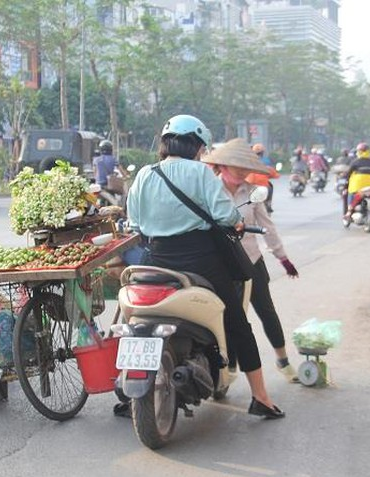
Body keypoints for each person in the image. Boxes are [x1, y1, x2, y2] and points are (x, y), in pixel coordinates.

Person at [127, 115, 284, 419]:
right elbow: (226, 216)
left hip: (155, 259)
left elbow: (134, 221)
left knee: (129, 318)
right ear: (198, 145)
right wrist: (238, 222)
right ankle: (261, 397)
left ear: (166, 142)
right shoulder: (200, 173)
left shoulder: (146, 174)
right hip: (200, 261)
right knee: (238, 323)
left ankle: (124, 395)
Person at [203, 138, 300, 383]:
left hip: (252, 261)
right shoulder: (209, 190)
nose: (243, 174)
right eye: (237, 169)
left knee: (267, 312)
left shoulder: (252, 193)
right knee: (231, 317)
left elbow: (268, 227)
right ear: (222, 167)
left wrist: (283, 258)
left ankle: (283, 360)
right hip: (224, 264)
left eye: (245, 169)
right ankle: (230, 365)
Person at [343, 142, 370, 222]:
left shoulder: (355, 161)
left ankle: (349, 213)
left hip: (358, 185)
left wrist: (345, 186)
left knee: (351, 194)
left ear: (359, 151)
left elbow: (348, 174)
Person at [93, 139, 127, 205]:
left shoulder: (96, 160)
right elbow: (121, 170)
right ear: (111, 149)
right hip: (109, 186)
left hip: (99, 186)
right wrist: (125, 176)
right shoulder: (113, 159)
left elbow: (95, 172)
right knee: (118, 203)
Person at [249, 143, 279, 214]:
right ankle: (268, 203)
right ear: (262, 153)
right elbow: (274, 174)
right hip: (263, 186)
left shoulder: (249, 161)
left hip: (250, 185)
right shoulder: (266, 161)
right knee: (270, 186)